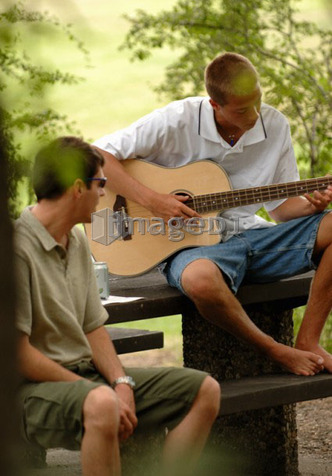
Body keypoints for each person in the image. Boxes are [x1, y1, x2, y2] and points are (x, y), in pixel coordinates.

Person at [93, 52, 332, 376]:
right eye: (243, 109)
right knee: (200, 281)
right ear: (214, 105)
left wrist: (311, 206)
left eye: (257, 100)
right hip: (191, 246)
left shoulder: (274, 125)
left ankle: (308, 340)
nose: (255, 114)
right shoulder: (177, 120)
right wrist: (152, 200)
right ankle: (274, 350)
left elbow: (281, 211)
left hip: (254, 235)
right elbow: (98, 155)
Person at [15, 137, 220, 476]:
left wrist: (121, 382)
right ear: (79, 188)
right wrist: (94, 390)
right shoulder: (16, 250)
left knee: (204, 390)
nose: (103, 194)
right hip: (28, 392)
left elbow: (92, 326)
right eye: (101, 184)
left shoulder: (77, 238)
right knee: (102, 403)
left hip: (84, 378)